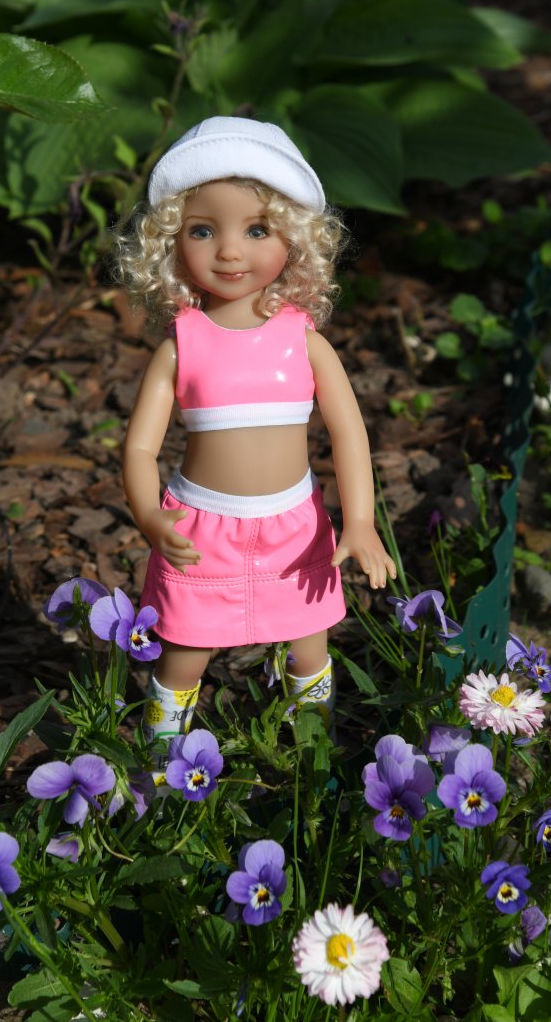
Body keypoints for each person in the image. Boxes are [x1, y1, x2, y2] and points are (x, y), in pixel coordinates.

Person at [114, 116, 396, 753]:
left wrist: (359, 522)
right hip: (200, 528)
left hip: (294, 526)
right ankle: (162, 764)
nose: (230, 252)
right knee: (184, 653)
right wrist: (149, 516)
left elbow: (350, 433)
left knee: (308, 648)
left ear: (294, 238)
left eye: (257, 229)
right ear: (171, 243)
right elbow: (140, 448)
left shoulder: (303, 340)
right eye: (202, 230)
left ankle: (310, 760)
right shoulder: (181, 345)